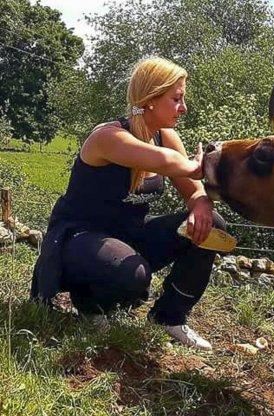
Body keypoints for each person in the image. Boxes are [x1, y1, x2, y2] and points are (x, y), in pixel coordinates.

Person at [31, 57, 223, 350]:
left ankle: (169, 317)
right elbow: (167, 162)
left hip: (127, 235)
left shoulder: (167, 137)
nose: (183, 108)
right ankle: (92, 306)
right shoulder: (108, 137)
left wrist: (200, 204)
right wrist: (192, 164)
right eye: (177, 99)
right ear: (149, 100)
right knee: (132, 275)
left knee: (212, 226)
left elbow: (194, 191)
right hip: (78, 241)